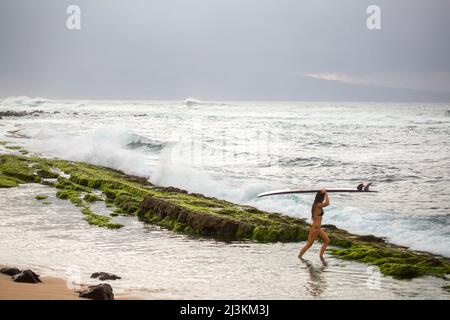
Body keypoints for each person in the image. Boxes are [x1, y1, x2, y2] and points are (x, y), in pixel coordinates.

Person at [298, 189, 330, 259]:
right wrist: (326, 193)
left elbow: (325, 202)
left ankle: (321, 256)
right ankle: (299, 257)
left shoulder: (317, 205)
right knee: (309, 245)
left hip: (318, 229)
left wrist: (324, 193)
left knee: (327, 240)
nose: (324, 198)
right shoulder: (317, 205)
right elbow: (327, 203)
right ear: (321, 198)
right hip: (315, 229)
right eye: (323, 197)